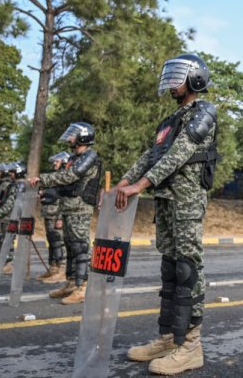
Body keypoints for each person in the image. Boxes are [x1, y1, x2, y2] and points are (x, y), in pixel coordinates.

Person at [116, 53, 218, 376]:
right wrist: (127, 179)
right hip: (166, 204)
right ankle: (168, 338)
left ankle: (191, 345)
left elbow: (178, 155)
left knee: (188, 269)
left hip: (186, 204)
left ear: (195, 79)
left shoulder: (204, 113)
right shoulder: (169, 121)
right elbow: (153, 153)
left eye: (179, 77)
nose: (173, 84)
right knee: (170, 270)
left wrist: (141, 185)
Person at [29, 123, 101, 305]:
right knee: (70, 246)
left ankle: (83, 287)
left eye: (73, 135)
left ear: (83, 137)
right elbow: (65, 186)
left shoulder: (89, 156)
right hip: (69, 207)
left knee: (80, 248)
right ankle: (71, 283)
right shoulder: (76, 157)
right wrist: (48, 193)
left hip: (80, 208)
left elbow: (70, 176)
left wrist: (43, 179)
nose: (69, 138)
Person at [35, 151, 70, 283]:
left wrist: (61, 218)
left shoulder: (65, 177)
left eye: (57, 161)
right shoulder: (56, 177)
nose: (54, 163)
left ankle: (62, 270)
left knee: (60, 242)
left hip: (57, 215)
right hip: (49, 214)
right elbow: (52, 193)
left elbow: (65, 198)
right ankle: (53, 268)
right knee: (52, 241)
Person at [0, 162, 27, 274]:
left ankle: (8, 265)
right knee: (5, 240)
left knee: (8, 241)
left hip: (11, 217)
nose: (10, 174)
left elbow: (10, 203)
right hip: (9, 216)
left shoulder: (19, 186)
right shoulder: (15, 185)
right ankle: (4, 263)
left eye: (13, 172)